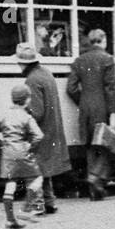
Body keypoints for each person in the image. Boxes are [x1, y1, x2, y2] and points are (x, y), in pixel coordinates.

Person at [17, 41, 70, 214]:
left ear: (24, 63)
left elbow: (36, 112)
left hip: (40, 131)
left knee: (34, 168)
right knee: (43, 168)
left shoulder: (32, 80)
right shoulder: (45, 73)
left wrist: (22, 113)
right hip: (51, 128)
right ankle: (49, 202)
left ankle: (37, 205)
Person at [67, 28, 115, 200]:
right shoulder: (107, 59)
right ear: (103, 40)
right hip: (102, 107)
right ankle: (96, 178)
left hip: (85, 108)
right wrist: (113, 113)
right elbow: (110, 88)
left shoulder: (79, 60)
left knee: (89, 145)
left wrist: (82, 101)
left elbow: (71, 88)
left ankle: (93, 180)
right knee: (103, 144)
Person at [0, 83, 45, 229]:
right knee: (37, 178)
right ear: (27, 100)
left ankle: (10, 219)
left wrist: (1, 145)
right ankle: (25, 209)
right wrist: (30, 146)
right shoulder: (26, 117)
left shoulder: (3, 115)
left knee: (11, 183)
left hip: (7, 153)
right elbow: (39, 136)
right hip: (23, 151)